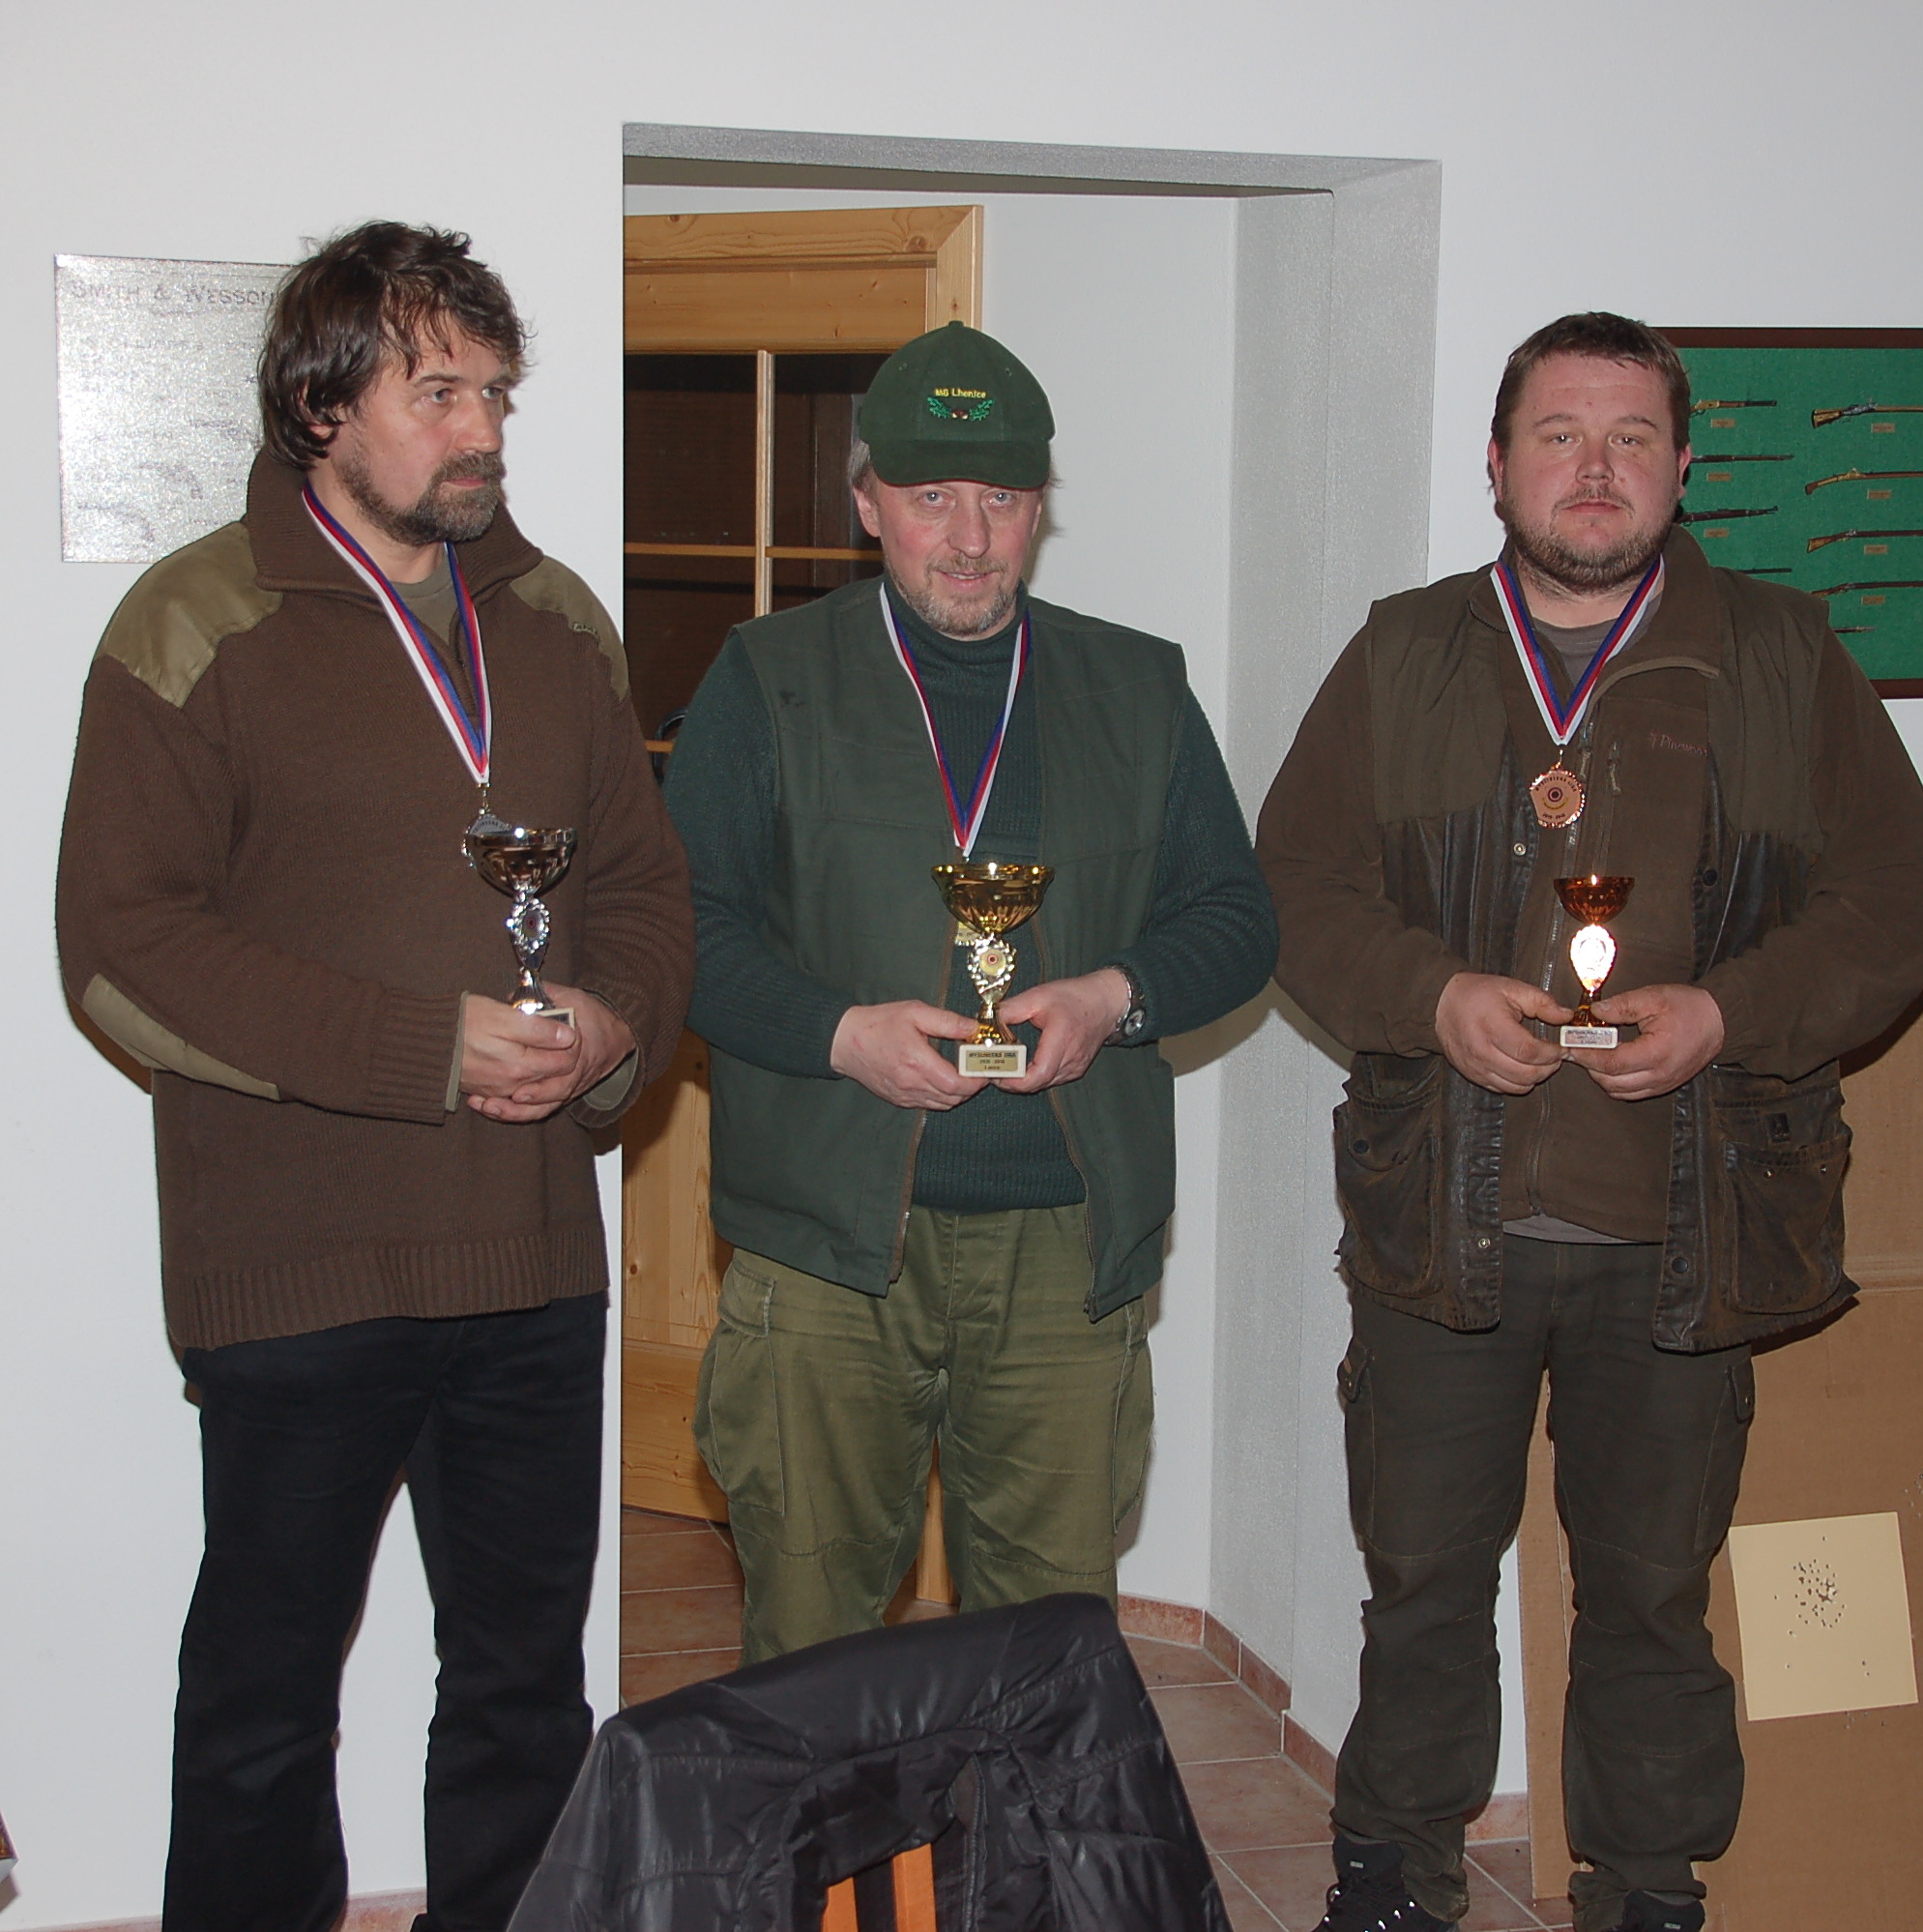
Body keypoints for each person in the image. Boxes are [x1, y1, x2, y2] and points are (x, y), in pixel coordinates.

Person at [1258, 312, 1923, 1932]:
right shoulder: (1404, 651)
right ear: (1495, 462)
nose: (1593, 468)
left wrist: (1728, 1012)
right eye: (1558, 434)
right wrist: (1431, 993)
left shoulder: (1782, 652)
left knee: (1649, 1592)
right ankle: (1394, 1873)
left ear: (1681, 465)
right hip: (1444, 1214)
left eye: (1630, 437)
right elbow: (1289, 886)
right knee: (1420, 1582)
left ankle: (1643, 1886)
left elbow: (1897, 904)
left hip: (1686, 1226)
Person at [56, 221, 693, 1932]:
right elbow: (122, 948)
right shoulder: (194, 620)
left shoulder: (554, 617)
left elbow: (645, 888)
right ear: (321, 406)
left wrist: (610, 1029)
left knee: (525, 1689)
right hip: (301, 1273)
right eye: (439, 393)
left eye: (494, 392)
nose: (481, 429)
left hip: (532, 1262)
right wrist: (428, 1048)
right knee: (263, 1705)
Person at [662, 321, 1276, 1660]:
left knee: (1047, 1652)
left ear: (1039, 507)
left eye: (999, 497)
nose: (967, 537)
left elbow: (1237, 920)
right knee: (812, 1642)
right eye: (930, 494)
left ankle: (1019, 1822)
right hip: (826, 1248)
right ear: (867, 500)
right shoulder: (766, 678)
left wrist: (1115, 995)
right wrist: (838, 1034)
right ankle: (830, 1819)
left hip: (1066, 1245)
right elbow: (681, 931)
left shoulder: (1138, 684)